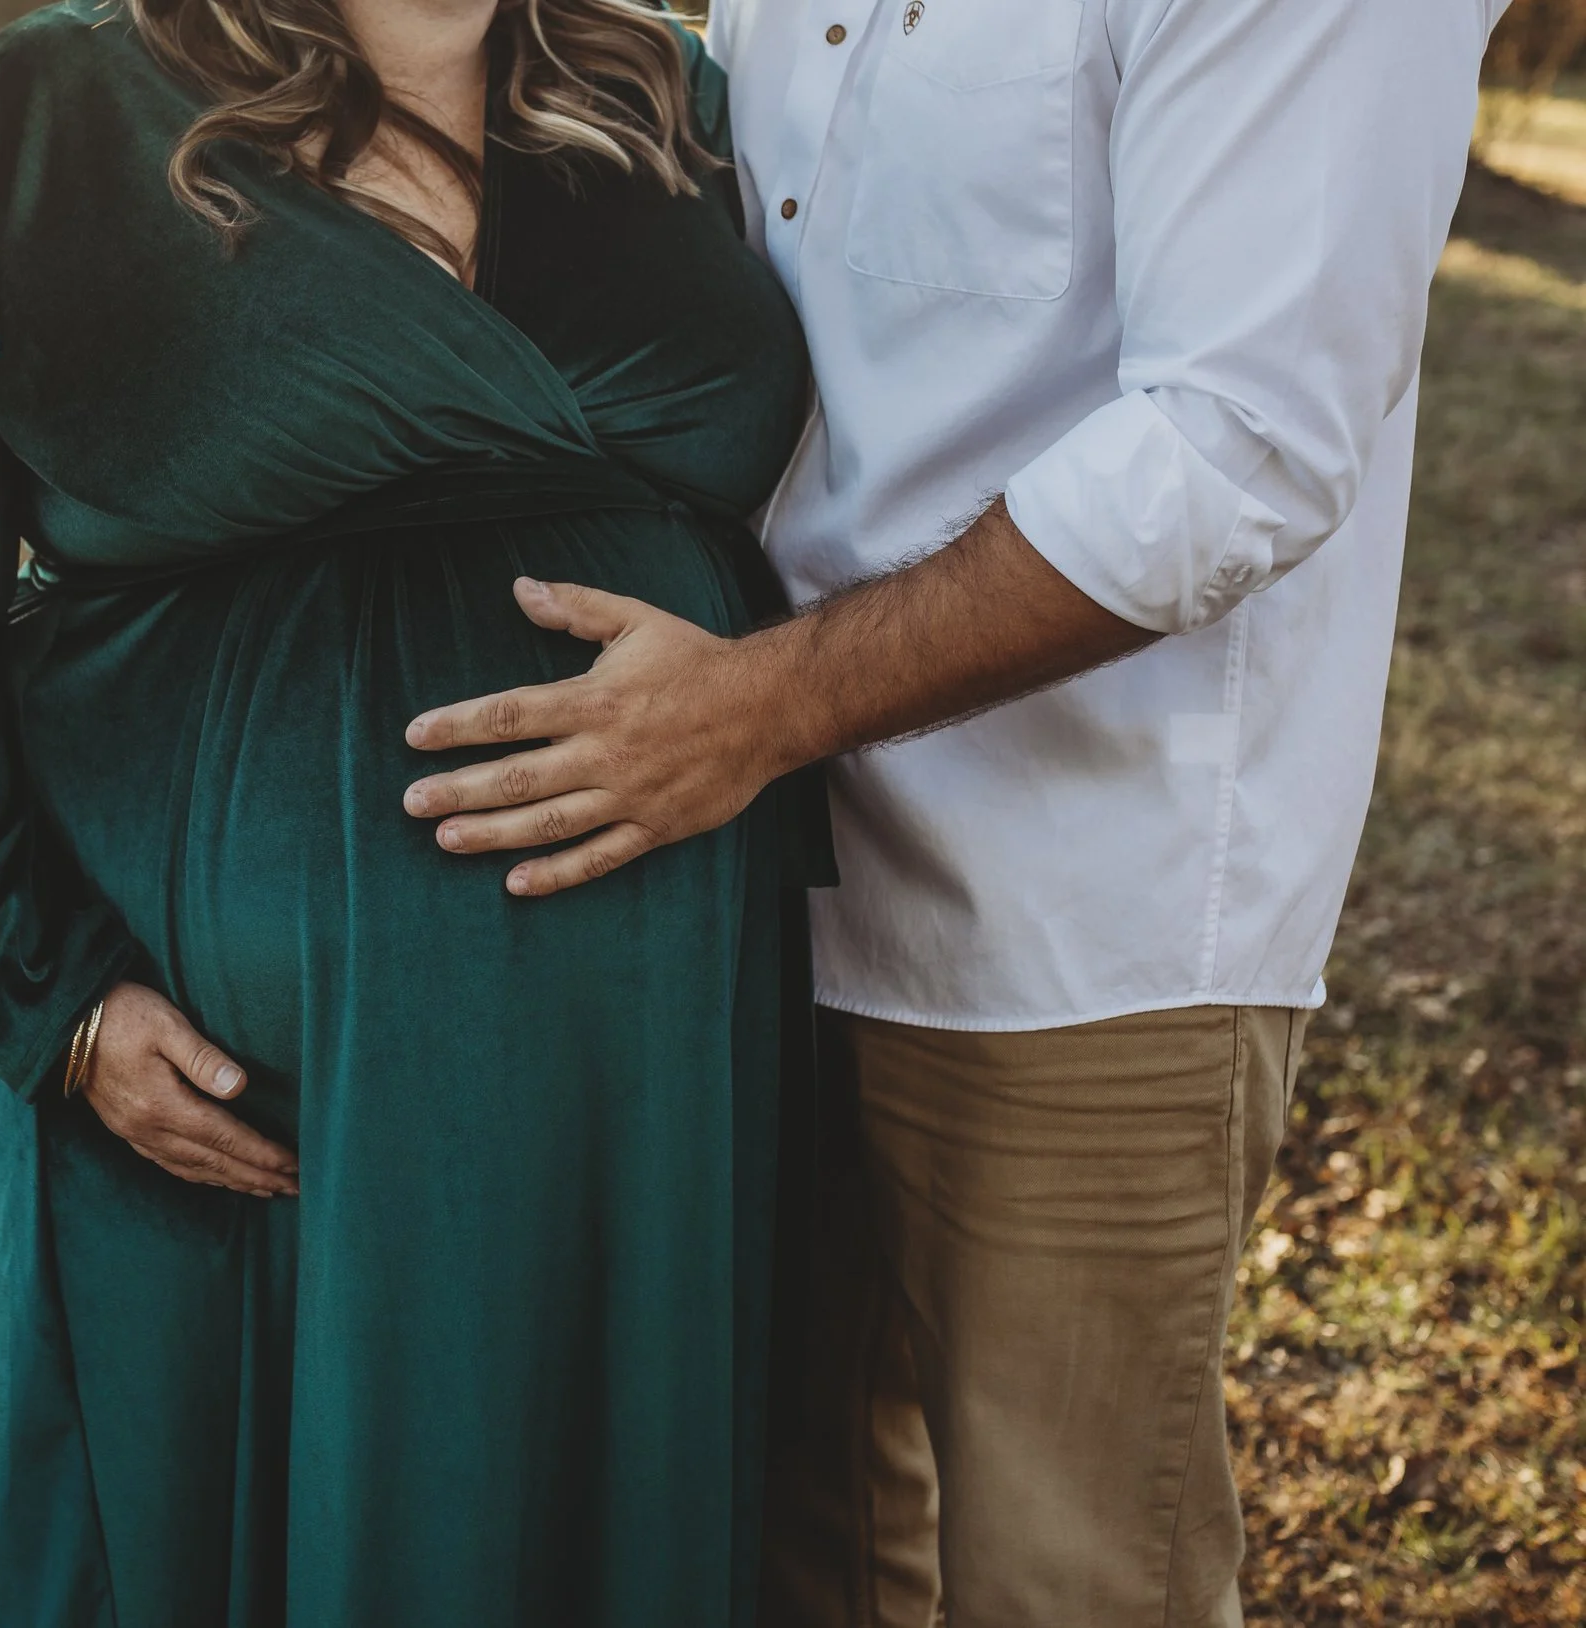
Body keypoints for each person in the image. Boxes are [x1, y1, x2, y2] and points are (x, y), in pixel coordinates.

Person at [397, 1, 1512, 1623]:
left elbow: (1236, 450)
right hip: (733, 871)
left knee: (1065, 1576)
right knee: (786, 1545)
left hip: (1077, 913)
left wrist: (752, 710)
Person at [0, 0, 829, 1617]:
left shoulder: (667, 95)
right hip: (222, 1092)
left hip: (638, 1066)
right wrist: (51, 997)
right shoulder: (44, 120)